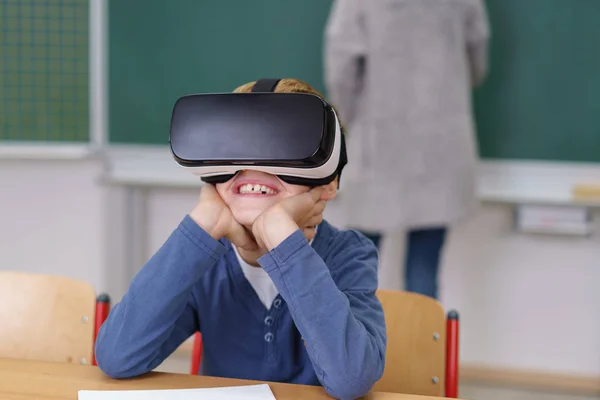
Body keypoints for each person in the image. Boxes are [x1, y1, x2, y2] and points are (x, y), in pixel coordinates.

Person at [95, 79, 387, 400]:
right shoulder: (205, 256)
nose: (252, 166)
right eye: (234, 146)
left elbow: (350, 379)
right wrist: (203, 223)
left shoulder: (349, 253)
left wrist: (281, 236)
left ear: (328, 183)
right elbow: (117, 357)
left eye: (282, 146)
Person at [324, 0, 490, 299]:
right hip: (440, 143)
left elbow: (342, 67)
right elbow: (477, 57)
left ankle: (355, 346)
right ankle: (422, 345)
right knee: (424, 269)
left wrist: (346, 119)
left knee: (358, 268)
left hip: (378, 141)